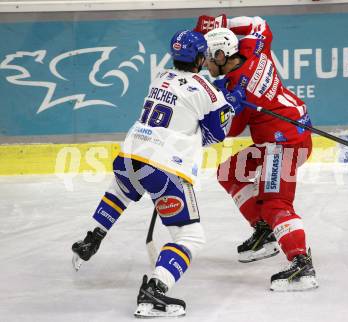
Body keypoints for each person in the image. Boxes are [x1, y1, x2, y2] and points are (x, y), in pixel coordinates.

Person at [71, 29, 245, 318]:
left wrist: (217, 102)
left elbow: (183, 104)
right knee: (190, 237)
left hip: (130, 155)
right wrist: (230, 107)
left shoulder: (159, 78)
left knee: (121, 191)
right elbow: (215, 136)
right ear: (201, 58)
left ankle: (92, 237)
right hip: (164, 168)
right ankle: (155, 290)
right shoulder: (208, 91)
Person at [194, 15, 318, 291]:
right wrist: (219, 24)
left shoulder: (233, 89)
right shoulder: (254, 51)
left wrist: (225, 107)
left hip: (283, 145)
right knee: (229, 172)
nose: (205, 64)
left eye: (208, 58)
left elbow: (232, 130)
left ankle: (301, 264)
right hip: (286, 135)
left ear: (221, 54)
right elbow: (259, 24)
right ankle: (265, 232)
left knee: (275, 202)